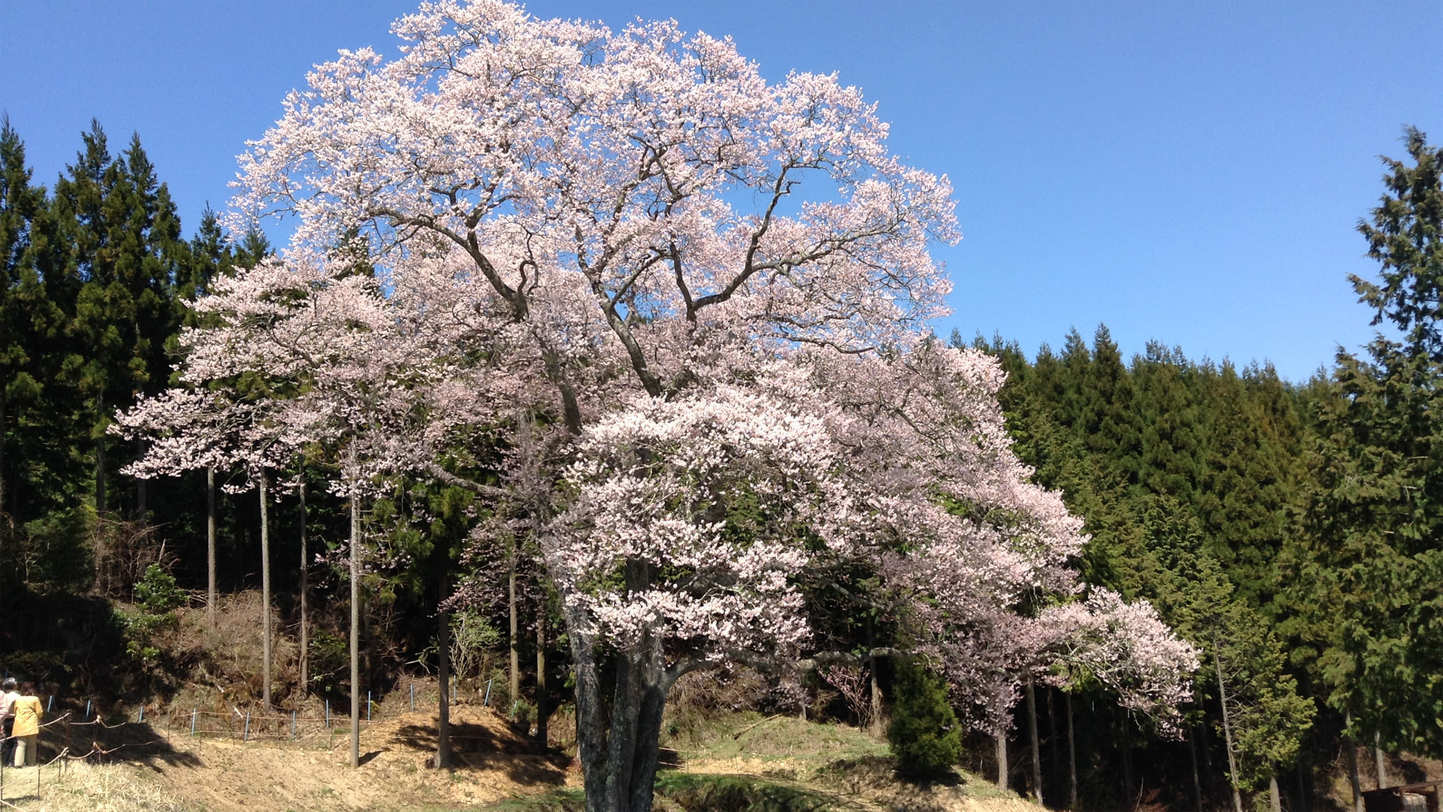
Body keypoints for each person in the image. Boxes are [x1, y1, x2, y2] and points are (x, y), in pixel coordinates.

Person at [10, 682, 41, 768]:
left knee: (20, 745)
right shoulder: (35, 699)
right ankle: (31, 763)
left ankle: (18, 764)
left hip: (20, 724)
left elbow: (15, 710)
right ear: (31, 689)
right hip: (31, 724)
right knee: (32, 745)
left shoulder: (18, 699)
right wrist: (39, 718)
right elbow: (39, 712)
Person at [0, 678, 17, 763]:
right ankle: (11, 761)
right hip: (13, 719)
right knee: (14, 741)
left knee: (7, 741)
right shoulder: (16, 696)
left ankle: (5, 761)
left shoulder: (4, 695)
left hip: (5, 720)